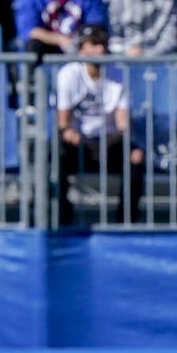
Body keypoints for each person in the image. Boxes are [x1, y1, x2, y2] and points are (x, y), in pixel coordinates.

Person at [54, 25, 144, 227]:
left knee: (136, 156)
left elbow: (123, 124)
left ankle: (126, 222)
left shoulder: (118, 74)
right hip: (79, 142)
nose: (100, 50)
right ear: (82, 49)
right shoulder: (69, 74)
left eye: (103, 44)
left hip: (109, 141)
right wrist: (71, 135)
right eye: (94, 44)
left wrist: (116, 138)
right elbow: (63, 124)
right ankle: (61, 218)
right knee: (55, 155)